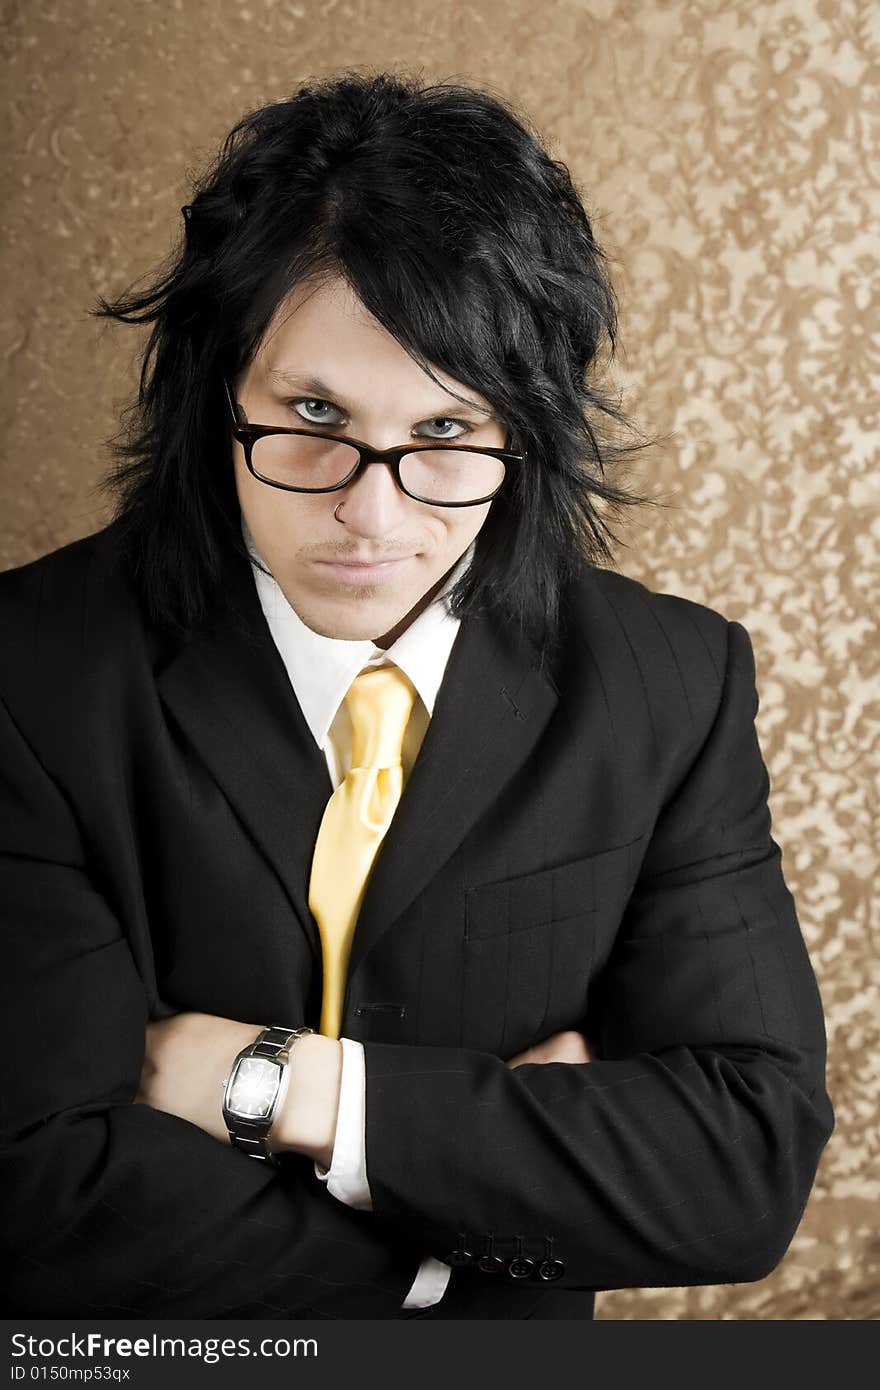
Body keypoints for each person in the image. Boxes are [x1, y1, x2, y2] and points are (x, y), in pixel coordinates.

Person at [0, 71, 833, 1320]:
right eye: (314, 414)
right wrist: (479, 1218)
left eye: (446, 431)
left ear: (525, 432)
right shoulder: (30, 674)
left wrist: (280, 1086)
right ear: (214, 391)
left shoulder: (673, 684)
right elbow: (32, 1190)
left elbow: (743, 1164)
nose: (369, 513)